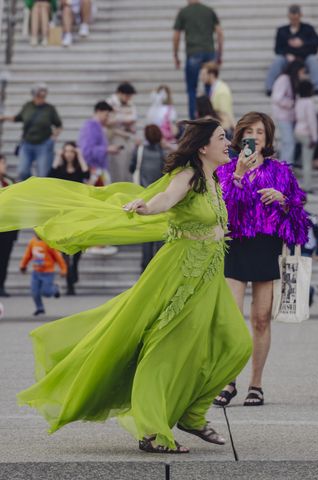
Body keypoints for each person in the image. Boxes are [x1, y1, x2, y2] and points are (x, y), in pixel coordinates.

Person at [0, 118, 252, 453]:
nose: (229, 143)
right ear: (203, 146)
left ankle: (192, 415)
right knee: (165, 348)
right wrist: (147, 207)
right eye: (223, 137)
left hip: (209, 275)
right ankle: (152, 430)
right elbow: (166, 198)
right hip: (181, 273)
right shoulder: (188, 176)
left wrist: (238, 176)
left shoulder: (215, 178)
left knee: (236, 344)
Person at [214, 111, 309, 408]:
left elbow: (299, 210)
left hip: (266, 245)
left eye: (260, 132)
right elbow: (222, 206)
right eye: (249, 131)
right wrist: (240, 174)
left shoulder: (280, 171)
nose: (254, 136)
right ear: (240, 136)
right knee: (232, 318)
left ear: (267, 139)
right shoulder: (227, 168)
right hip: (237, 244)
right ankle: (228, 381)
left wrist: (282, 200)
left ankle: (256, 383)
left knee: (260, 319)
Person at [49, 142, 89, 294]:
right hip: (64, 212)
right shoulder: (59, 169)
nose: (69, 154)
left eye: (72, 151)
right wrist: (57, 156)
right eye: (67, 151)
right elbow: (50, 175)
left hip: (78, 212)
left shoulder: (79, 169)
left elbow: (87, 175)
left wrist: (80, 155)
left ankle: (74, 267)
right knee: (65, 248)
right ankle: (69, 281)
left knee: (78, 245)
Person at [0, 83, 62, 180]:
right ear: (34, 95)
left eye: (43, 96)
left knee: (43, 173)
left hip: (44, 144)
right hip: (27, 143)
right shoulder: (28, 106)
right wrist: (4, 117)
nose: (41, 98)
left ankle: (40, 193)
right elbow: (18, 118)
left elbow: (59, 125)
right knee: (22, 171)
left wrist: (53, 138)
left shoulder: (50, 109)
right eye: (39, 95)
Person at [173, 0, 224, 119]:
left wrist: (175, 55)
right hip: (209, 53)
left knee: (192, 89)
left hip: (193, 53)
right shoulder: (209, 11)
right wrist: (219, 55)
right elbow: (220, 33)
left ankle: (194, 120)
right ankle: (211, 117)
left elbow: (176, 36)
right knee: (210, 86)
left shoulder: (184, 12)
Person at [130, 124, 165, 271]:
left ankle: (145, 267)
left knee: (146, 236)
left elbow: (131, 168)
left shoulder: (139, 151)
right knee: (159, 235)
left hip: (142, 196)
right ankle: (158, 268)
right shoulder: (163, 154)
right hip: (158, 198)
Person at [265, 4, 318, 95]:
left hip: (304, 58)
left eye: (296, 17)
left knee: (313, 60)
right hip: (288, 58)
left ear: (300, 16)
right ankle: (270, 87)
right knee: (278, 60)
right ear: (288, 16)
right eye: (292, 17)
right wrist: (287, 55)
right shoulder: (282, 30)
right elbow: (277, 49)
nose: (294, 20)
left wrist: (303, 42)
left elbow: (316, 41)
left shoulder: (308, 28)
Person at [20, 233, 67, 315]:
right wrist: (23, 266)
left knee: (46, 292)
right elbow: (28, 255)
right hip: (36, 272)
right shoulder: (32, 242)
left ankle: (55, 288)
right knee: (35, 292)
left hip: (48, 273)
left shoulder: (49, 243)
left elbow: (58, 257)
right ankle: (40, 308)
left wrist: (63, 269)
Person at [271, 60, 306, 164]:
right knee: (288, 143)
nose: (302, 74)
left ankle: (285, 167)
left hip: (289, 117)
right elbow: (277, 98)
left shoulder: (291, 80)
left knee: (289, 143)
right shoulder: (284, 79)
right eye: (302, 72)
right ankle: (285, 169)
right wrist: (291, 103)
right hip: (283, 116)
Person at [78, 100, 119, 186]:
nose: (107, 118)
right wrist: (106, 149)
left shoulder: (97, 127)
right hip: (94, 169)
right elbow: (87, 150)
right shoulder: (92, 126)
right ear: (98, 112)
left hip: (98, 168)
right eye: (106, 115)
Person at [106, 82, 138, 182]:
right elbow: (106, 121)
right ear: (120, 93)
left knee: (128, 166)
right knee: (118, 166)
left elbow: (134, 118)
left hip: (128, 136)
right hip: (115, 136)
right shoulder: (109, 103)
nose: (129, 98)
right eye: (127, 95)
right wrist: (123, 120)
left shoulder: (130, 104)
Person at [294, 80, 318, 192]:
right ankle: (307, 186)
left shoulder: (299, 101)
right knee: (307, 162)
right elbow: (312, 121)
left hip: (298, 131)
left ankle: (304, 184)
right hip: (306, 134)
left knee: (305, 160)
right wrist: (314, 138)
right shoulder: (309, 102)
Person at [200, 62, 235, 139]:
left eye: (203, 74)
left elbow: (225, 113)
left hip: (223, 130)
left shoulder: (221, 90)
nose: (201, 77)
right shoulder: (213, 88)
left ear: (211, 74)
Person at [0, 155, 18, 297]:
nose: (3, 166)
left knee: (4, 259)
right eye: (2, 163)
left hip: (8, 230)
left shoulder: (10, 181)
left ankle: (1, 286)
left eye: (4, 163)